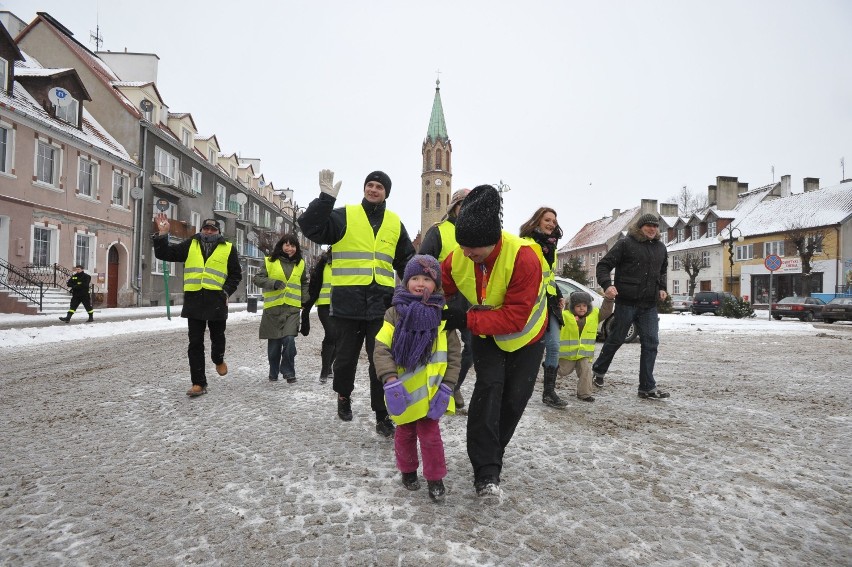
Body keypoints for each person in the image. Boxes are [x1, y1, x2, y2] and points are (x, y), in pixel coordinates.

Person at [440, 185, 547, 499]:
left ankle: (493, 451)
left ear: (494, 242)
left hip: (528, 336)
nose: (468, 255)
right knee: (488, 392)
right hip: (487, 334)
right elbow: (439, 287)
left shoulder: (523, 257)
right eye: (464, 248)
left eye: (476, 251)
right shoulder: (459, 256)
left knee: (514, 399)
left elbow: (515, 317)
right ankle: (486, 472)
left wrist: (464, 318)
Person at [298, 169, 415, 438]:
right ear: (364, 189)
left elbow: (406, 260)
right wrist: (325, 199)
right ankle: (343, 395)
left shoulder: (395, 222)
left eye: (379, 187)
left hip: (381, 305)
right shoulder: (345, 215)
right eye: (370, 185)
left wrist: (419, 284)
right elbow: (311, 227)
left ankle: (381, 414)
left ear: (387, 193)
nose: (374, 190)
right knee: (346, 358)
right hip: (347, 302)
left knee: (381, 362)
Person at [374, 255, 461, 502]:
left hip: (433, 392)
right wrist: (390, 380)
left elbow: (454, 356)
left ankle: (435, 478)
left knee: (431, 437)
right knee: (405, 433)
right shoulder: (394, 314)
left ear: (437, 284)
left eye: (427, 278)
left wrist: (448, 387)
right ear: (405, 282)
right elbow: (381, 349)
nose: (420, 283)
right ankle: (408, 471)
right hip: (403, 391)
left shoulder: (444, 316)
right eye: (414, 278)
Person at [152, 214, 242, 397]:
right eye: (206, 228)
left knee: (218, 338)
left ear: (218, 232)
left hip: (216, 300)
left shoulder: (228, 249)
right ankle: (198, 383)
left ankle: (218, 359)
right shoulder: (190, 244)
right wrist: (163, 235)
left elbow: (235, 275)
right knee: (195, 343)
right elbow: (165, 253)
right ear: (201, 230)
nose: (208, 231)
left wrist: (226, 292)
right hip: (194, 301)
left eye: (213, 229)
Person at [592, 213, 670, 399]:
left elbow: (663, 270)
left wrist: (662, 287)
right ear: (640, 227)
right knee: (617, 338)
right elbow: (603, 266)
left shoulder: (660, 247)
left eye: (655, 226)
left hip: (649, 305)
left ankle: (646, 387)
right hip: (627, 302)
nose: (652, 229)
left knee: (651, 343)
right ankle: (599, 371)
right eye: (648, 225)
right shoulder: (626, 244)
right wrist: (607, 285)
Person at [418, 188, 473, 409]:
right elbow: (423, 264)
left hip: (471, 299)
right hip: (444, 297)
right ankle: (429, 389)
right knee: (440, 346)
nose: (467, 210)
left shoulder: (477, 235)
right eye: (463, 205)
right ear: (455, 207)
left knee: (472, 346)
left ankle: (452, 386)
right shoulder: (438, 232)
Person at [519, 207, 567, 409]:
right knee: (529, 347)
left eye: (554, 221)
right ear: (537, 220)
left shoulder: (552, 246)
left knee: (554, 346)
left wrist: (559, 294)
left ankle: (549, 392)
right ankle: (519, 388)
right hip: (532, 303)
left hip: (551, 302)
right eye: (547, 220)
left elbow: (549, 276)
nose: (551, 224)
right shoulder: (527, 244)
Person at [254, 234, 309, 383]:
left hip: (292, 309)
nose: (289, 248)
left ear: (296, 248)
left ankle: (288, 371)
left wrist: (305, 299)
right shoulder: (270, 261)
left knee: (289, 339)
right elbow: (257, 279)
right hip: (273, 309)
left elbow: (304, 282)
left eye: (292, 245)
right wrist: (273, 283)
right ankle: (273, 371)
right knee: (274, 346)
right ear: (281, 245)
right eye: (287, 244)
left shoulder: (301, 263)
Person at [558, 291, 614, 402]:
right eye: (578, 306)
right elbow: (555, 317)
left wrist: (608, 299)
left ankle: (585, 394)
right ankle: (549, 373)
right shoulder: (565, 315)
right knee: (562, 371)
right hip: (567, 354)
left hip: (584, 353)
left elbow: (606, 311)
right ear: (572, 307)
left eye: (584, 306)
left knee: (586, 371)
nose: (582, 308)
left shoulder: (594, 315)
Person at [302, 247, 335, 383]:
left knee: (340, 338)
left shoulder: (348, 262)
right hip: (324, 305)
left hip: (342, 305)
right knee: (331, 334)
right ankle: (324, 369)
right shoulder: (323, 262)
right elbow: (315, 283)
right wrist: (307, 302)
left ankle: (329, 367)